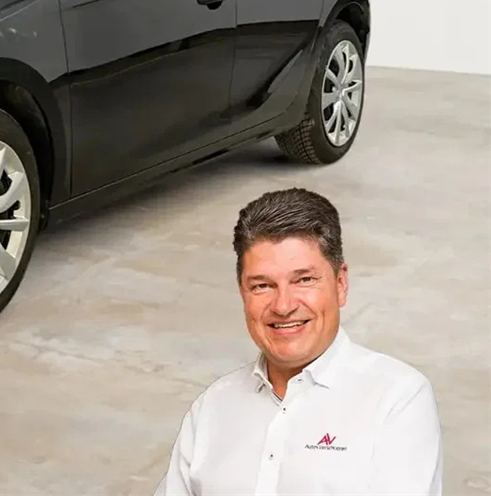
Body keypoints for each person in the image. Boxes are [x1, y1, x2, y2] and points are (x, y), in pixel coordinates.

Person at [154, 188, 443, 495]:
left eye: (304, 280)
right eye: (262, 285)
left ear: (341, 283)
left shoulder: (397, 398)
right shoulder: (213, 407)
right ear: (242, 294)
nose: (283, 305)